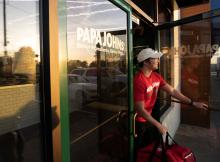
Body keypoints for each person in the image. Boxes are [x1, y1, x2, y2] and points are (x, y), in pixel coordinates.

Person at [133, 48, 208, 151]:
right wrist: (158, 125)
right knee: (139, 152)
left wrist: (192, 102)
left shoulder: (156, 76)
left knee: (150, 151)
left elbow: (173, 91)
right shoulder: (139, 80)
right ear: (146, 61)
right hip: (138, 122)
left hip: (149, 119)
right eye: (155, 58)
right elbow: (140, 110)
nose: (158, 61)